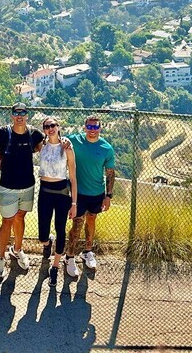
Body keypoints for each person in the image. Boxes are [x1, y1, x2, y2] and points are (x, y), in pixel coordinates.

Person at [0, 102, 45, 278]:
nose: (19, 116)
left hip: (27, 184)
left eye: (23, 112)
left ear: (27, 115)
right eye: (16, 113)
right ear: (12, 115)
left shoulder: (34, 133)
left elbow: (45, 144)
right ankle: (1, 256)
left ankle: (17, 249)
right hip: (8, 186)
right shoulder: (3, 132)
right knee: (7, 221)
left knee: (20, 217)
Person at [65, 115, 116, 277]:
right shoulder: (75, 141)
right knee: (77, 224)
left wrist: (108, 196)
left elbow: (110, 173)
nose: (92, 130)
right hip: (78, 193)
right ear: (85, 127)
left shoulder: (106, 148)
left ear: (100, 128)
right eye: (90, 127)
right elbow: (58, 138)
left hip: (97, 193)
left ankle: (88, 251)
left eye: (96, 127)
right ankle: (70, 257)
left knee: (92, 220)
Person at [37, 117, 77, 287]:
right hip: (45, 192)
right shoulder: (41, 145)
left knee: (60, 229)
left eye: (53, 125)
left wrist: (74, 203)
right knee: (42, 234)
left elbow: (73, 178)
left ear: (58, 127)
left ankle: (55, 267)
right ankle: (47, 243)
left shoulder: (67, 148)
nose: (50, 128)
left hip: (62, 194)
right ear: (44, 129)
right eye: (47, 126)